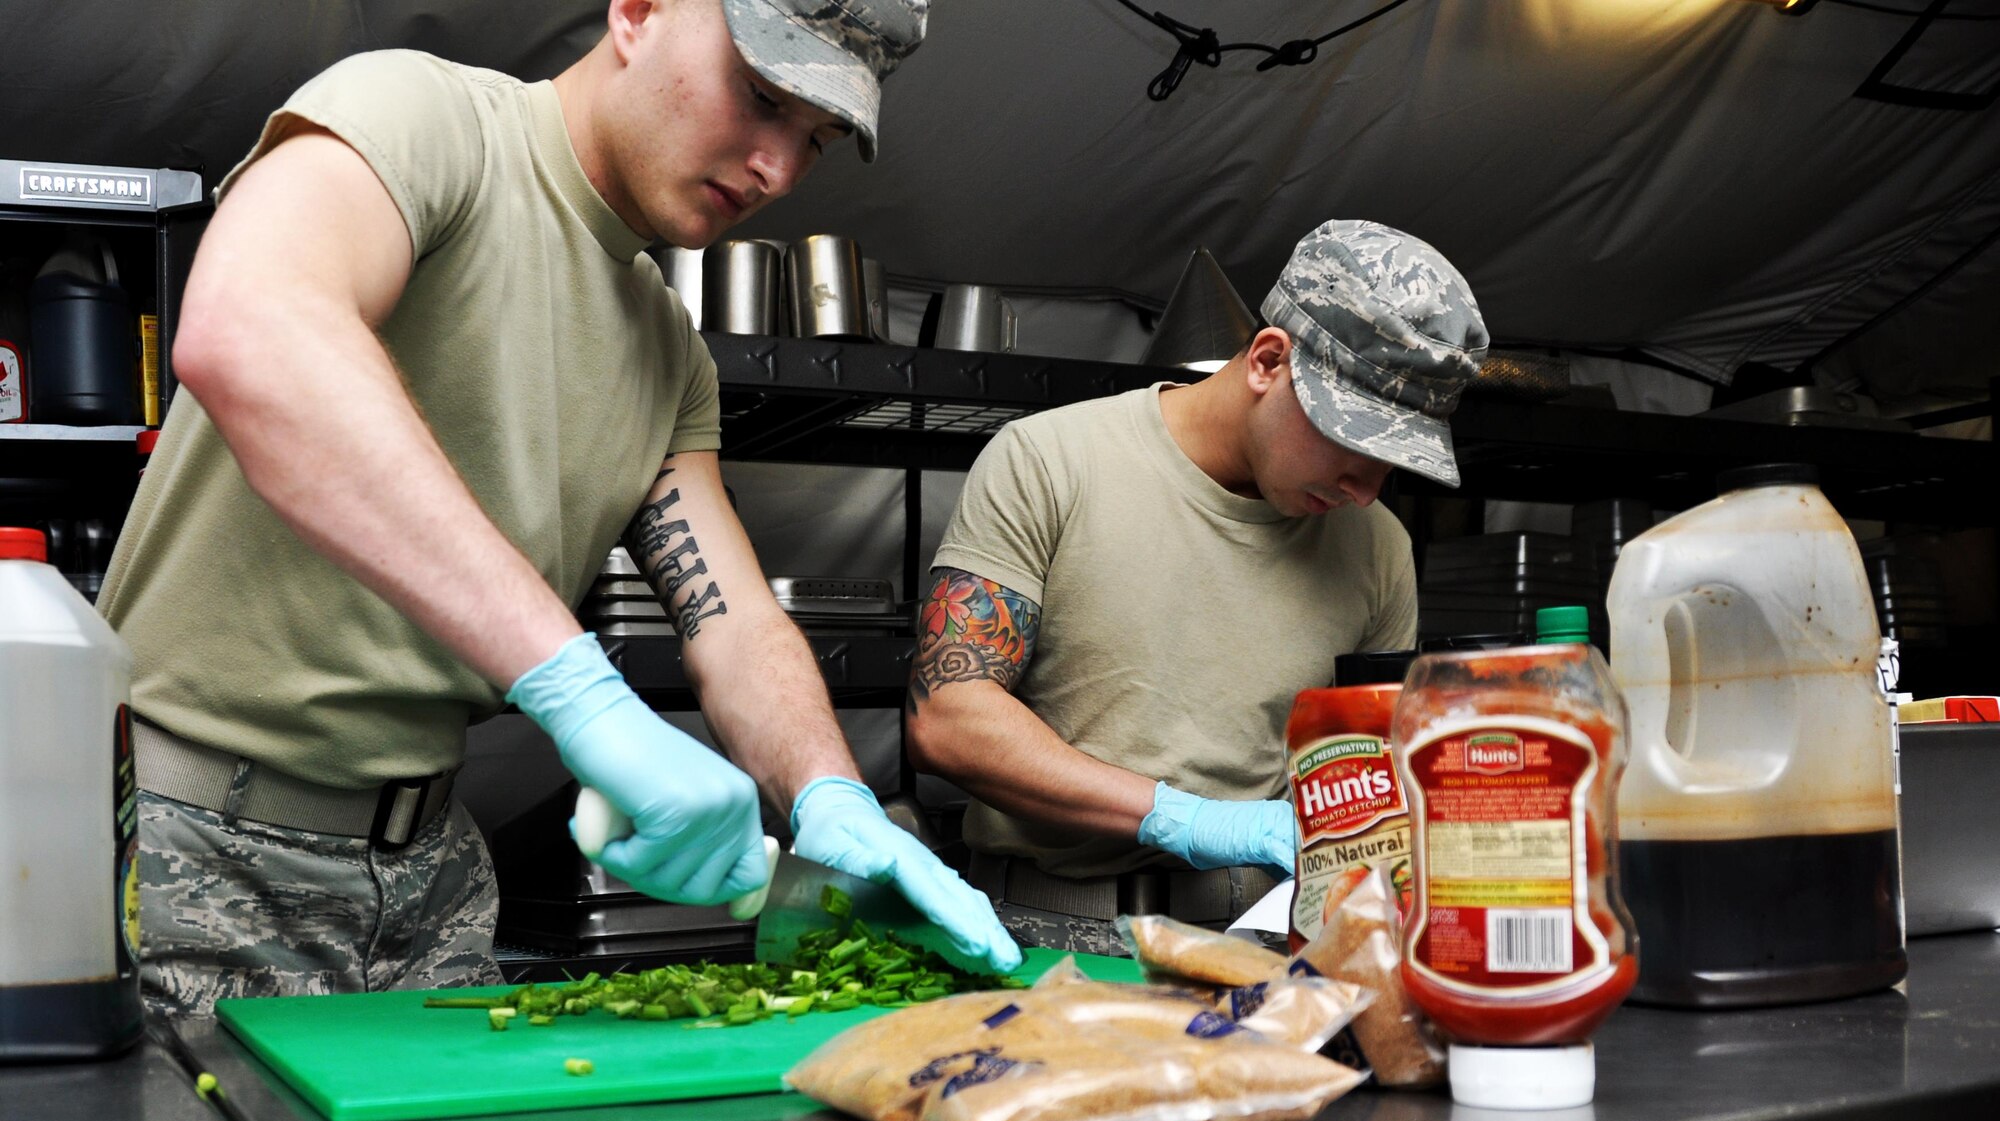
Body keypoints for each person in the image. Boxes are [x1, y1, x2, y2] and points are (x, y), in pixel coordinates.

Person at [100, 0, 1019, 1018]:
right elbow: (251, 332)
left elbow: (733, 620)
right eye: (761, 97)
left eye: (816, 139)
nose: (777, 169)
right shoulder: (423, 119)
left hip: (430, 874)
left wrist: (829, 795)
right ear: (637, 12)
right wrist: (580, 690)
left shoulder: (668, 351)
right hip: (189, 845)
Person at [904, 219, 1489, 954]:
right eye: (1354, 439)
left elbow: (1372, 780)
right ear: (1268, 361)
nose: (1366, 489)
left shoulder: (1379, 547)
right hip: (1053, 937)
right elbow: (948, 720)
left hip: (1273, 942)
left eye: (1395, 461)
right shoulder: (1050, 461)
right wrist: (1185, 819)